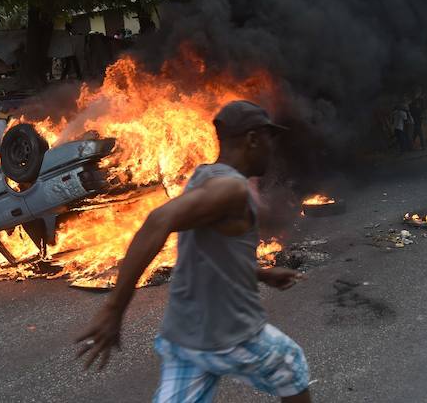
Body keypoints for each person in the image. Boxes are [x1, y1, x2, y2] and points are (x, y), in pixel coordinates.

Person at [76, 101, 311, 403]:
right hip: (228, 335)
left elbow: (212, 256)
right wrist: (113, 309)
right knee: (289, 364)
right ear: (252, 139)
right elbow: (157, 221)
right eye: (269, 138)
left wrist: (262, 274)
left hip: (184, 337)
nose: (272, 148)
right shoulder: (232, 189)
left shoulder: (203, 176)